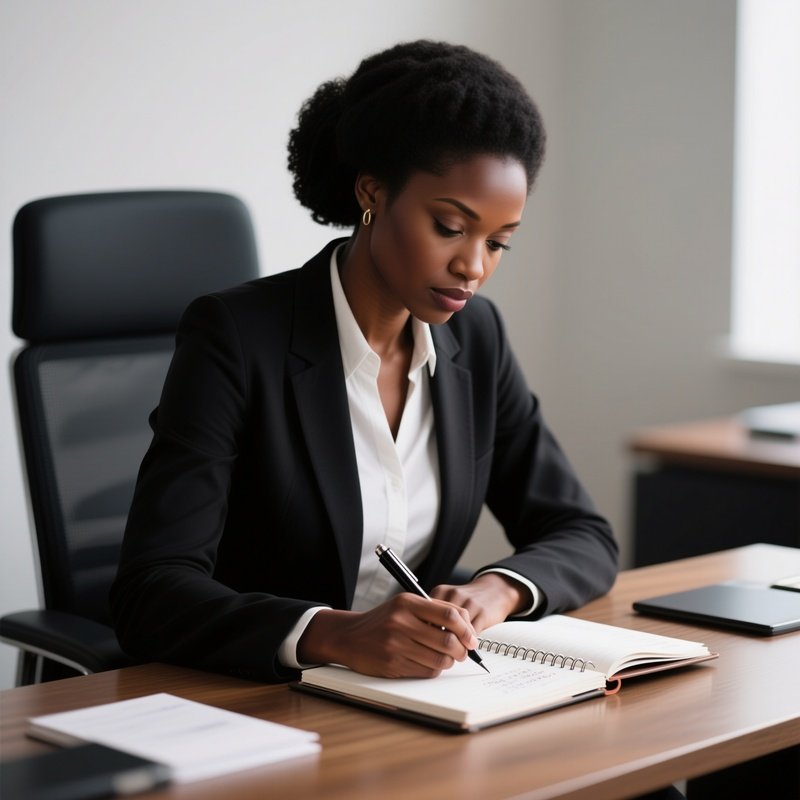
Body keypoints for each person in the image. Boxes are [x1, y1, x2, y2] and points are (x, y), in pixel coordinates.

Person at [110, 40, 618, 684]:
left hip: (413, 697)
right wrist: (335, 634)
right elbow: (150, 592)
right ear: (373, 191)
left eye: (498, 243)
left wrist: (498, 590)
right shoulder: (239, 336)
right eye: (449, 226)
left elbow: (581, 532)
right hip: (257, 696)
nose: (474, 267)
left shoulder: (475, 339)